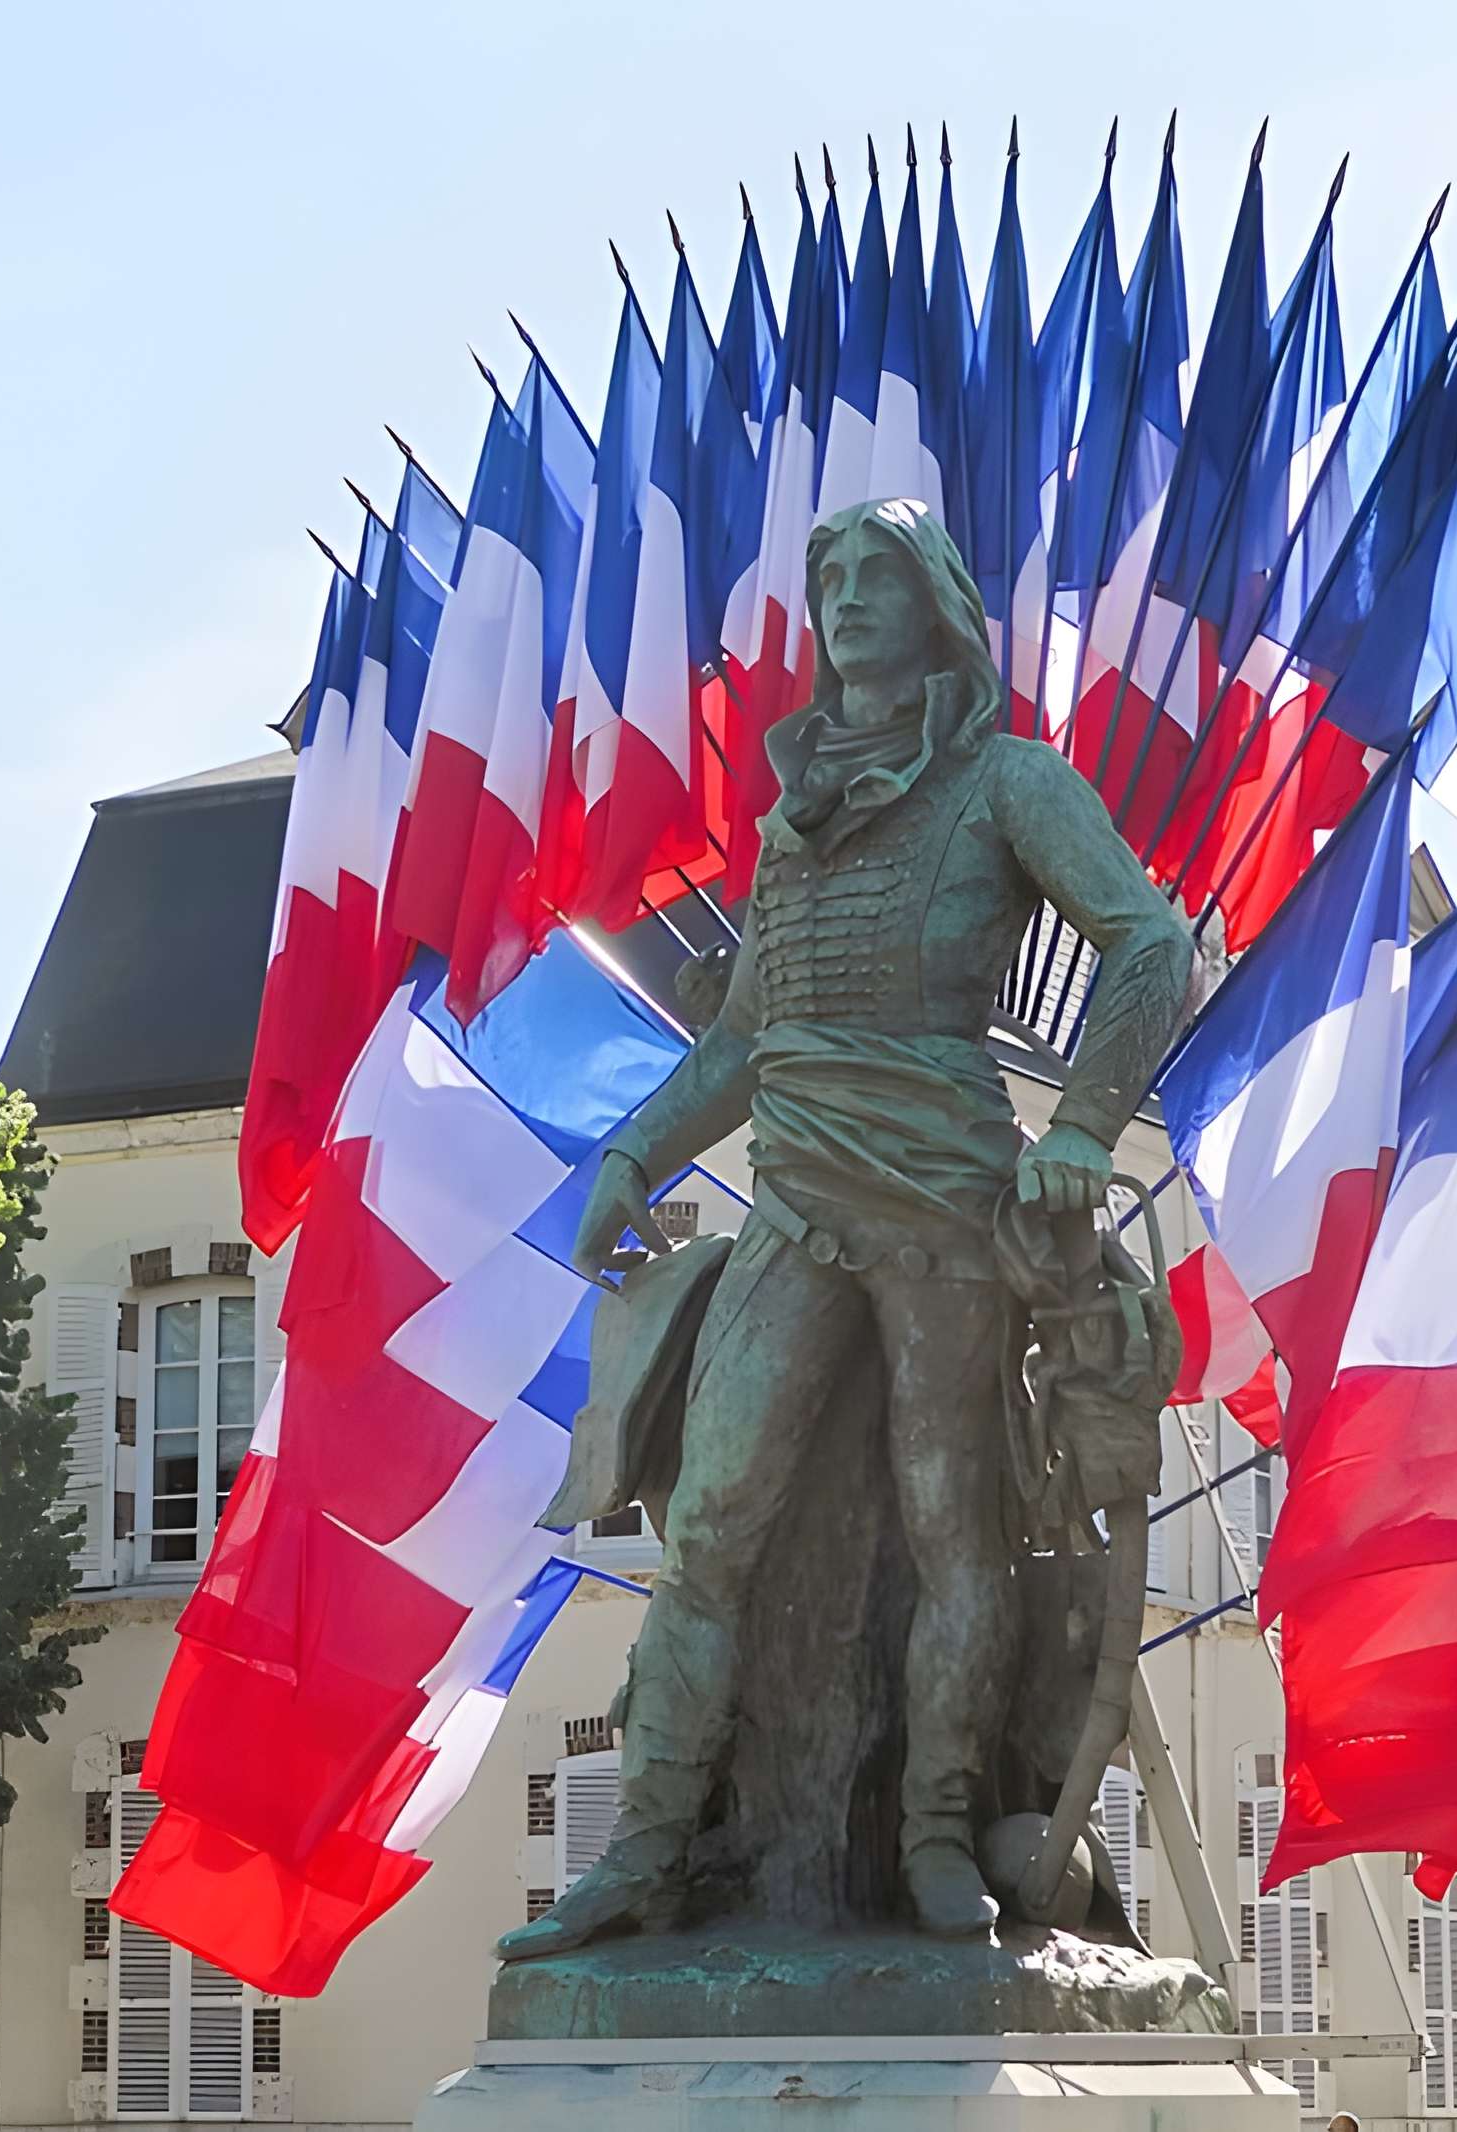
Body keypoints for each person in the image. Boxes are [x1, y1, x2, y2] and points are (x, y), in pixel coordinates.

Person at [497, 499, 1193, 1956]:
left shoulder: (1010, 781)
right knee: (706, 1524)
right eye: (831, 578)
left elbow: (1151, 940)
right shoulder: (791, 807)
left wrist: (1077, 1131)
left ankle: (938, 1837)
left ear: (937, 600)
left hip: (947, 1206)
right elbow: (748, 1036)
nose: (850, 597)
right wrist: (631, 1150)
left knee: (957, 1532)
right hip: (799, 1201)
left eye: (880, 572)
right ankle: (646, 1849)